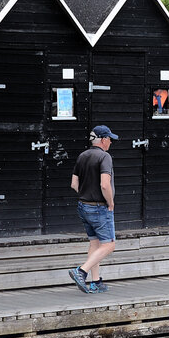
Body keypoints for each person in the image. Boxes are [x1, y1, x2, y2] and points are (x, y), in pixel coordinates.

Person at [69, 125, 119, 294]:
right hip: (99, 208)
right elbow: (105, 185)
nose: (111, 142)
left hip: (83, 206)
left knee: (95, 243)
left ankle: (95, 282)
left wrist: (86, 194)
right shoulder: (105, 157)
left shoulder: (82, 156)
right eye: (110, 139)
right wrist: (110, 202)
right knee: (110, 245)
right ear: (103, 140)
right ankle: (81, 272)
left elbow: (74, 184)